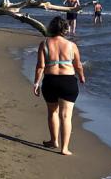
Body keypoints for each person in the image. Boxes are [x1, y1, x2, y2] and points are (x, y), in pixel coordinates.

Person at [32, 16, 86, 155]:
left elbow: (40, 66)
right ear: (65, 29)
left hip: (50, 81)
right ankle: (64, 148)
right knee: (66, 116)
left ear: (51, 28)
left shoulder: (44, 44)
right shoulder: (71, 45)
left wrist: (36, 82)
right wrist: (81, 77)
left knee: (52, 112)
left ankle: (54, 140)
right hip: (68, 82)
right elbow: (78, 65)